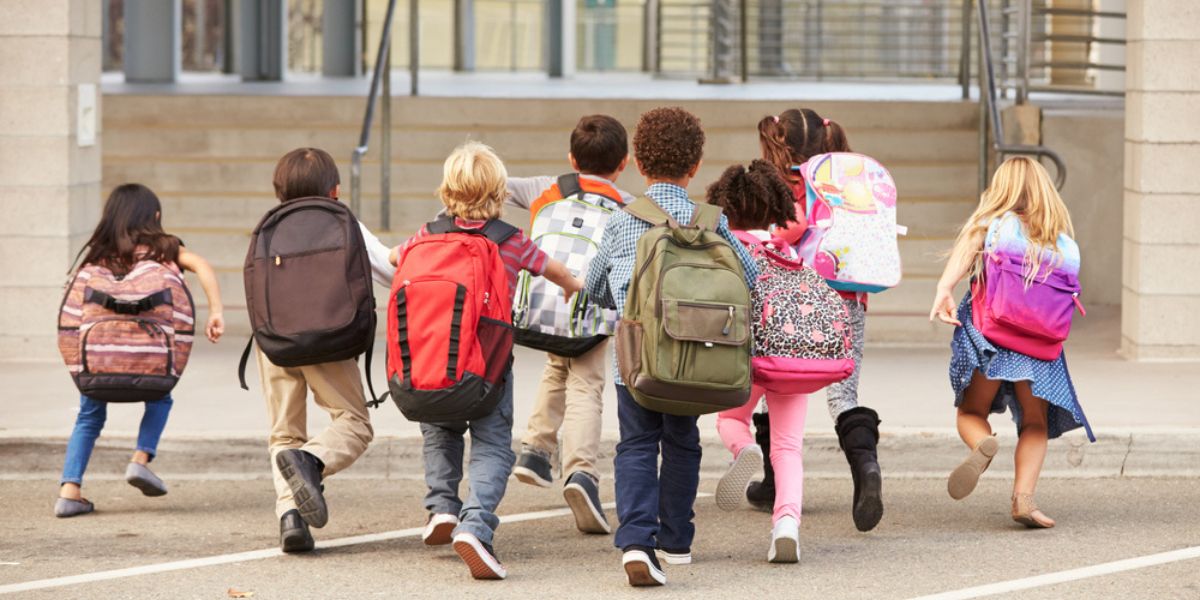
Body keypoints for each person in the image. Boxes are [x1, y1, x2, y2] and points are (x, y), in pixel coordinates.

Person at [391, 141, 584, 580]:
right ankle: (475, 524)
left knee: (440, 432)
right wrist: (573, 284)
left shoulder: (427, 234)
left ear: (447, 190)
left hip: (433, 365)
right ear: (498, 192)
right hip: (487, 371)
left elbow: (393, 258)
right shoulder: (510, 241)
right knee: (493, 444)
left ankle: (441, 506)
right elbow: (552, 269)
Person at [585, 107, 759, 587]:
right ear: (694, 165)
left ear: (639, 163)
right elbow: (752, 278)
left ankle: (637, 541)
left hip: (637, 362)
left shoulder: (624, 221)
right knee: (682, 443)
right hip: (696, 358)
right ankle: (677, 542)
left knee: (637, 444)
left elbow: (595, 285)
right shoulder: (712, 223)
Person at [930, 156, 1092, 529]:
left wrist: (944, 289)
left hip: (992, 336)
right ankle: (1024, 500)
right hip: (1041, 346)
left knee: (972, 412)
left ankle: (982, 444)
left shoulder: (993, 226)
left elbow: (968, 245)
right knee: (1035, 422)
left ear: (1001, 189)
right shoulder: (1061, 242)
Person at [253, 148, 395, 552]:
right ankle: (312, 462)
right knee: (354, 423)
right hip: (329, 340)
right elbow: (390, 270)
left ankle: (290, 518)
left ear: (279, 188)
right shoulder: (343, 221)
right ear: (335, 189)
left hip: (274, 341)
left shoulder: (269, 227)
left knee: (284, 434)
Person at [55, 183, 225, 518]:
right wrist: (216, 310)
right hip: (151, 361)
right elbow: (202, 265)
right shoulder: (165, 250)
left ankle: (69, 491)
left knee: (88, 416)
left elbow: (72, 313)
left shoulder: (96, 255)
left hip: (99, 360)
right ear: (155, 217)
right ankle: (140, 459)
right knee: (160, 398)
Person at [751, 108, 884, 534]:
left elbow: (780, 233)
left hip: (791, 299)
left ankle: (775, 481)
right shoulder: (847, 185)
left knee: (777, 382)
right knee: (844, 395)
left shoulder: (775, 187)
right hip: (846, 298)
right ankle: (866, 467)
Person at [505, 114, 634, 535]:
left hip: (541, 303)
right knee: (586, 386)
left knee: (557, 364)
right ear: (624, 163)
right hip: (590, 306)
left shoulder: (546, 188)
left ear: (571, 158)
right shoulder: (627, 205)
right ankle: (581, 474)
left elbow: (495, 184)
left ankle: (536, 449)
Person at [708, 160, 812, 563]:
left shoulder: (724, 248)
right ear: (774, 208)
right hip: (789, 360)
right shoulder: (786, 251)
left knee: (731, 419)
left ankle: (744, 449)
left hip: (741, 357)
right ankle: (786, 525)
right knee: (788, 447)